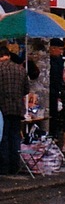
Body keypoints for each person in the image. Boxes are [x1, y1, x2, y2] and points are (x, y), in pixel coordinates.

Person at [0, 45, 29, 175]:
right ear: (9, 55)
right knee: (15, 136)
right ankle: (15, 165)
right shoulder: (21, 70)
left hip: (2, 108)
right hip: (17, 108)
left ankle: (4, 166)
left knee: (3, 137)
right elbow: (26, 90)